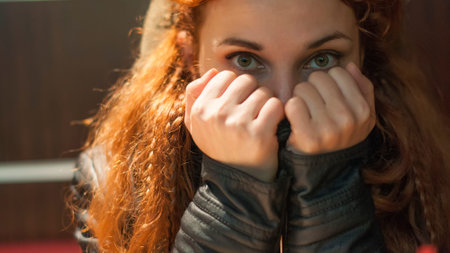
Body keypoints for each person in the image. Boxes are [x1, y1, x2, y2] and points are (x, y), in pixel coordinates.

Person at [70, 0, 450, 252]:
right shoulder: (115, 180)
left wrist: (330, 189)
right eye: (245, 60)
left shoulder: (419, 173)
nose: (285, 102)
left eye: (321, 59)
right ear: (191, 58)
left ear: (363, 56)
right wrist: (232, 198)